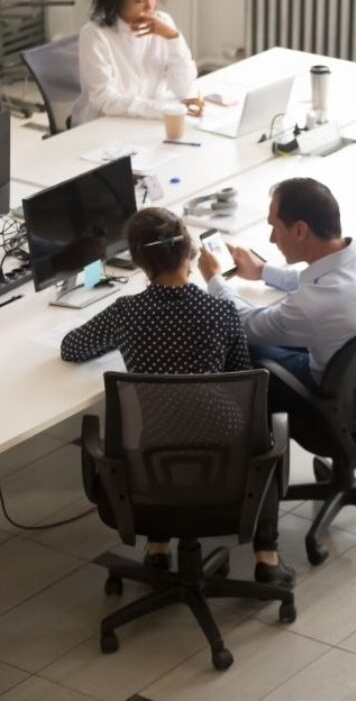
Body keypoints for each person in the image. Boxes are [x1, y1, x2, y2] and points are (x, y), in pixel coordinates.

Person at [61, 207, 294, 588]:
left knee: (161, 425)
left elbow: (72, 348)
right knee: (262, 436)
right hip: (225, 459)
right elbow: (241, 378)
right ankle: (266, 556)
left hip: (149, 459)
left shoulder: (127, 313)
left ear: (139, 262)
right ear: (189, 253)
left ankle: (157, 546)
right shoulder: (221, 311)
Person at [198, 177, 356, 392]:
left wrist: (214, 279)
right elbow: (324, 279)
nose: (272, 239)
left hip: (338, 400)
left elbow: (245, 323)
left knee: (240, 342)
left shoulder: (312, 305)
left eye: (275, 227)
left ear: (300, 230)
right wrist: (262, 271)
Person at [70, 0, 204, 127]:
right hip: (104, 125)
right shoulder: (95, 34)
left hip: (148, 122)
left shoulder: (163, 23)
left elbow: (184, 87)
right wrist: (163, 109)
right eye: (139, 0)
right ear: (116, 0)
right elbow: (104, 100)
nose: (150, 6)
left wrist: (173, 37)